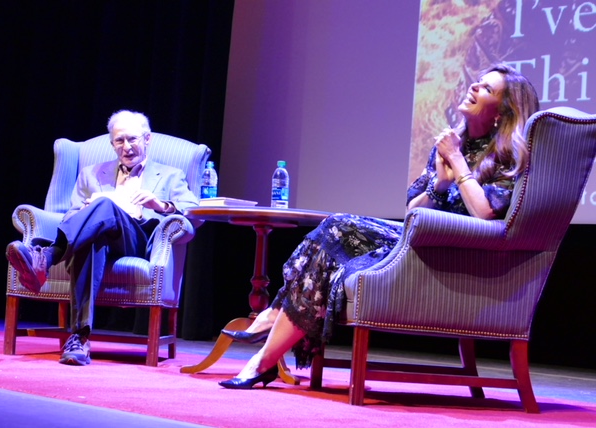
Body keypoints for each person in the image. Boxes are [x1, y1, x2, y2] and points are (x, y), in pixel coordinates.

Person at [218, 63, 540, 389]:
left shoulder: (505, 156)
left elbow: (485, 215)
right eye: (478, 82)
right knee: (335, 229)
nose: (473, 87)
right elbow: (413, 209)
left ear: (501, 113)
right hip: (421, 241)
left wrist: (457, 164)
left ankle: (269, 332)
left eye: (486, 89)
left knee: (337, 229)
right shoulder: (451, 143)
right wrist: (438, 187)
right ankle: (265, 355)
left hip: (457, 256)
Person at [6, 109, 199, 366]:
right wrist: (89, 210)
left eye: (133, 139)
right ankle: (79, 339)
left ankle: (47, 255)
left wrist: (160, 204)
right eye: (119, 141)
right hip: (97, 237)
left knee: (105, 205)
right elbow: (70, 215)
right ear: (111, 144)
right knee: (92, 236)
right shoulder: (91, 173)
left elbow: (194, 212)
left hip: (137, 239)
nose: (127, 147)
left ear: (147, 139)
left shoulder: (170, 174)